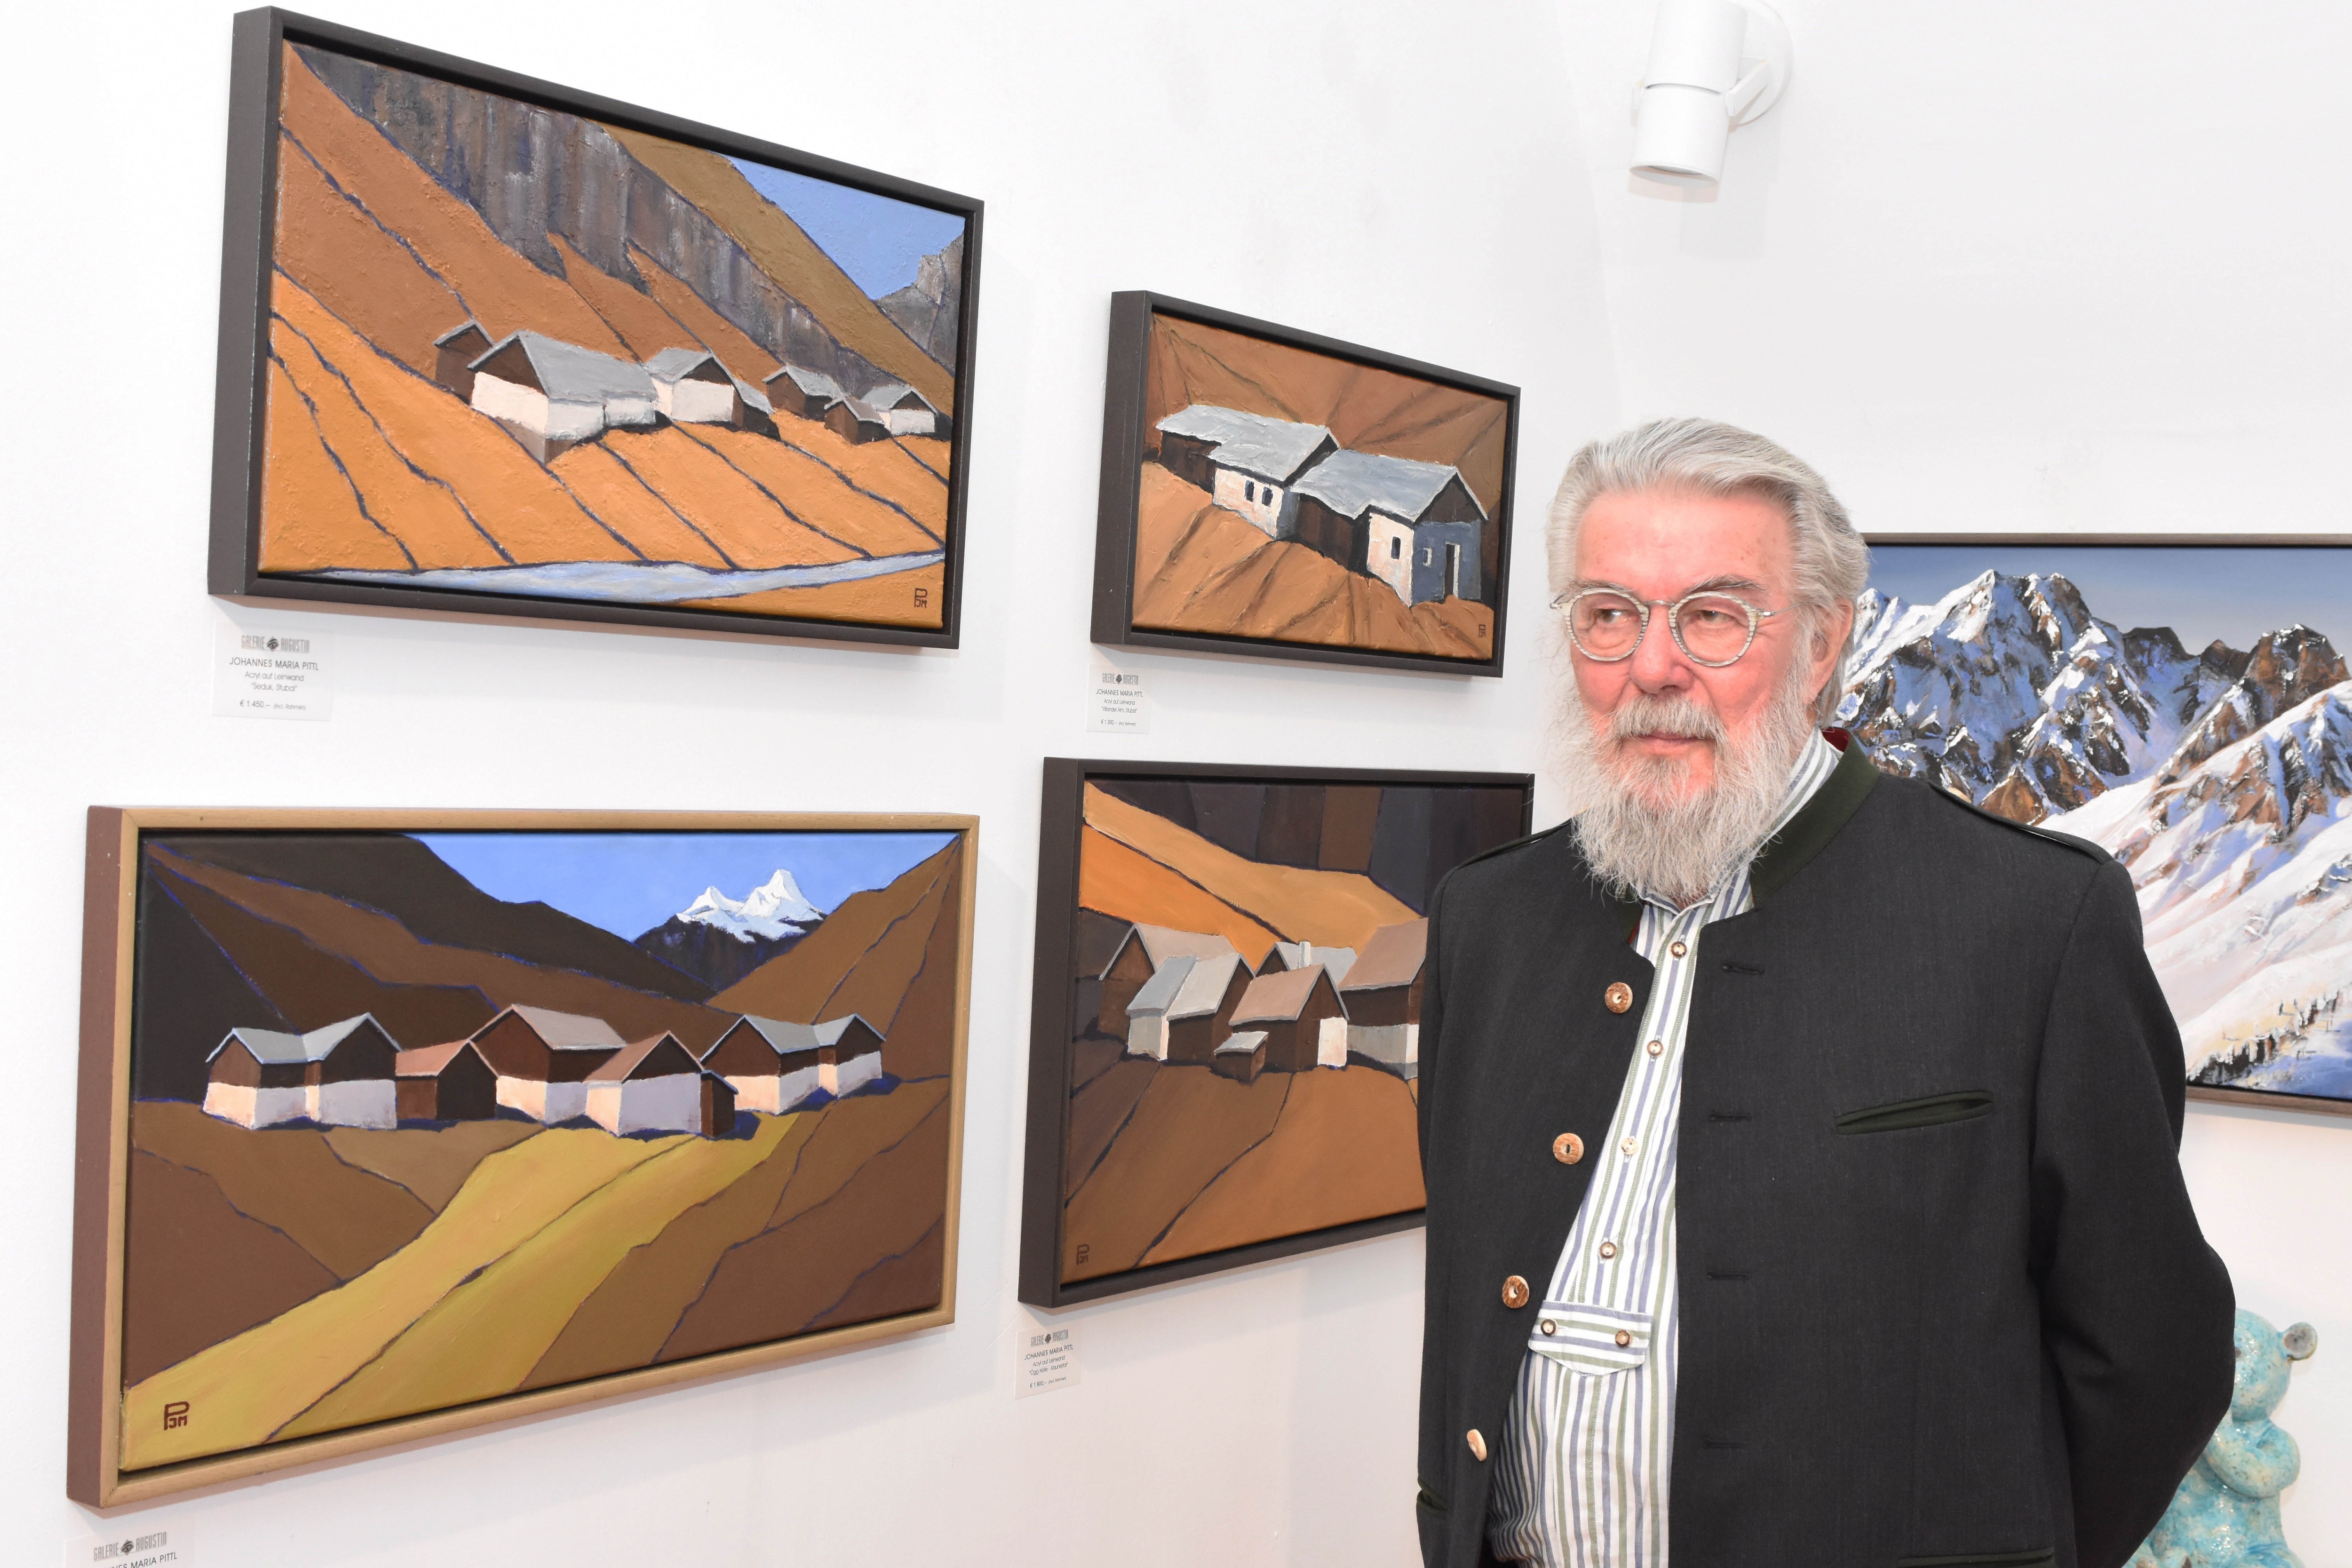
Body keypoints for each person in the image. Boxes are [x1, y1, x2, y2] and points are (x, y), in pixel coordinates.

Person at [1412, 418, 2235, 1568]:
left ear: (1818, 644)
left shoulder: (2032, 922)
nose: (1652, 667)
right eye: (1609, 614)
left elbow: (2153, 1355)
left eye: (1712, 615)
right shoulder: (1485, 919)